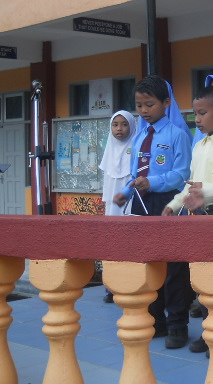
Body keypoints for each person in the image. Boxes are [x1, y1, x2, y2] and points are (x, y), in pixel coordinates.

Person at [162, 85, 213, 353]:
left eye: (202, 113)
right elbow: (190, 185)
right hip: (198, 219)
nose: (197, 119)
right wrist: (174, 205)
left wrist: (206, 193)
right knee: (203, 280)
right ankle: (210, 330)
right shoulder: (199, 146)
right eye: (195, 114)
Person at [113, 75, 193, 349]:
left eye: (150, 104)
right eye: (139, 105)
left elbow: (182, 174)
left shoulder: (177, 135)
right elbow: (135, 173)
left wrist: (154, 183)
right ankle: (157, 320)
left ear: (166, 103)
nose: (144, 110)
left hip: (167, 204)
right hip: (140, 202)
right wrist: (125, 192)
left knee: (174, 267)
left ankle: (178, 325)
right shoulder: (140, 136)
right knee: (148, 264)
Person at [99, 110, 137, 303]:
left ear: (132, 126)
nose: (119, 129)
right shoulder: (109, 150)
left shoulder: (137, 147)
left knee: (130, 243)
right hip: (112, 209)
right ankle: (111, 288)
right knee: (112, 244)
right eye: (115, 125)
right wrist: (108, 203)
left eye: (124, 124)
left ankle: (130, 285)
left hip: (130, 206)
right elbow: (107, 183)